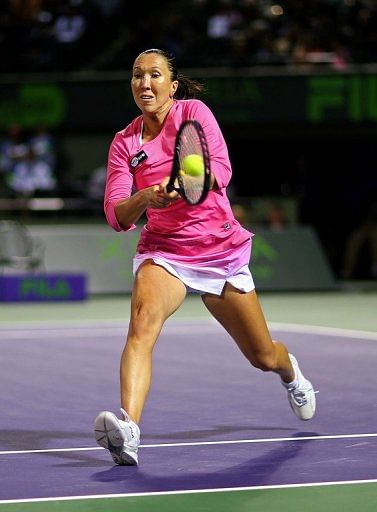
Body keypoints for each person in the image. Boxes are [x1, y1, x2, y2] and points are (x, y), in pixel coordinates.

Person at [94, 48, 316, 466]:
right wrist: (146, 195)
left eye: (155, 75)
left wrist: (185, 181)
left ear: (171, 85)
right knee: (142, 325)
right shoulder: (124, 143)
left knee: (262, 356)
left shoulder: (193, 114)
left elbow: (221, 173)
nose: (145, 83)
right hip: (165, 251)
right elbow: (116, 215)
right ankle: (129, 430)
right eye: (137, 75)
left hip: (219, 251)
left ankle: (292, 373)